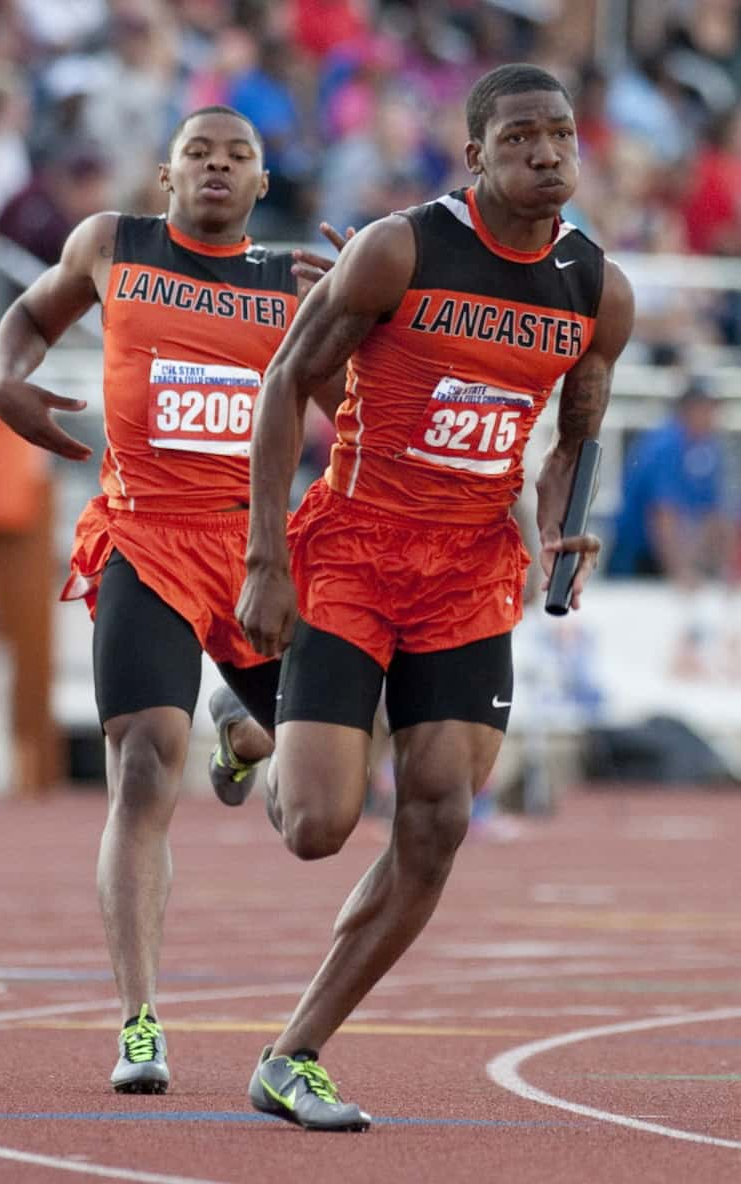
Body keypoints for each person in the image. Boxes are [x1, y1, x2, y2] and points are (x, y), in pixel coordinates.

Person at [234, 63, 635, 1131]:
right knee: (317, 824)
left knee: (437, 816)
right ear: (475, 155)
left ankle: (294, 1050)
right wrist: (264, 558)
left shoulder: (595, 288)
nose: (546, 154)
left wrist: (553, 519)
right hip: (354, 550)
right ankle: (251, 726)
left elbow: (575, 432)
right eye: (519, 139)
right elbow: (283, 380)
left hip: (466, 571)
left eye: (560, 136)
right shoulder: (400, 247)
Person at [0, 105, 346, 1094]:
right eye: (199, 153)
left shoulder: (295, 285)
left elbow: (359, 412)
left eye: (238, 156)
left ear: (263, 184)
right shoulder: (112, 245)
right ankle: (139, 1020)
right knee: (143, 761)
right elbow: (29, 314)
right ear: (165, 172)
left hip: (257, 548)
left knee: (320, 810)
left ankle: (244, 731)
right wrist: (2, 375)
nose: (217, 168)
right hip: (142, 534)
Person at [607, 377, 732, 585]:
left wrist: (722, 569)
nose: (713, 417)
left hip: (666, 554)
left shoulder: (707, 447)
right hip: (635, 557)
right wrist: (680, 572)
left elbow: (713, 514)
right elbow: (662, 515)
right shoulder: (665, 445)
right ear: (689, 410)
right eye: (707, 409)